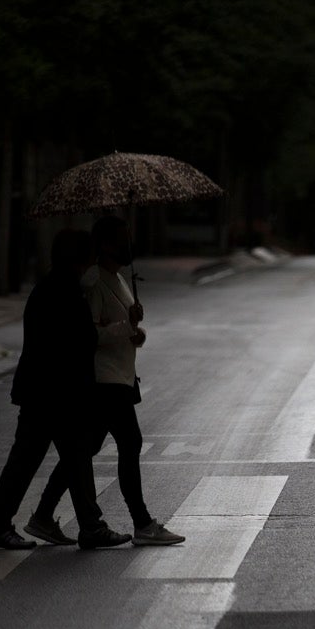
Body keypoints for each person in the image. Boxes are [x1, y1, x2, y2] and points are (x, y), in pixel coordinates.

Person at [30, 215, 184, 546]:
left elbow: (118, 329)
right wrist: (123, 327)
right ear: (103, 244)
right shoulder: (94, 282)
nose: (128, 246)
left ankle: (43, 515)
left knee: (83, 450)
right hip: (104, 379)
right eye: (121, 240)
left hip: (121, 376)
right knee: (130, 442)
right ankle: (142, 523)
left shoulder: (119, 279)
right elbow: (90, 335)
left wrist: (134, 332)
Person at [0, 230, 132, 550]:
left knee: (69, 459)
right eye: (90, 254)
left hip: (46, 392)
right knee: (34, 461)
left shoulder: (50, 287)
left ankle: (88, 525)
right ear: (79, 258)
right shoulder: (64, 292)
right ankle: (2, 527)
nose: (94, 260)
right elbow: (80, 341)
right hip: (56, 395)